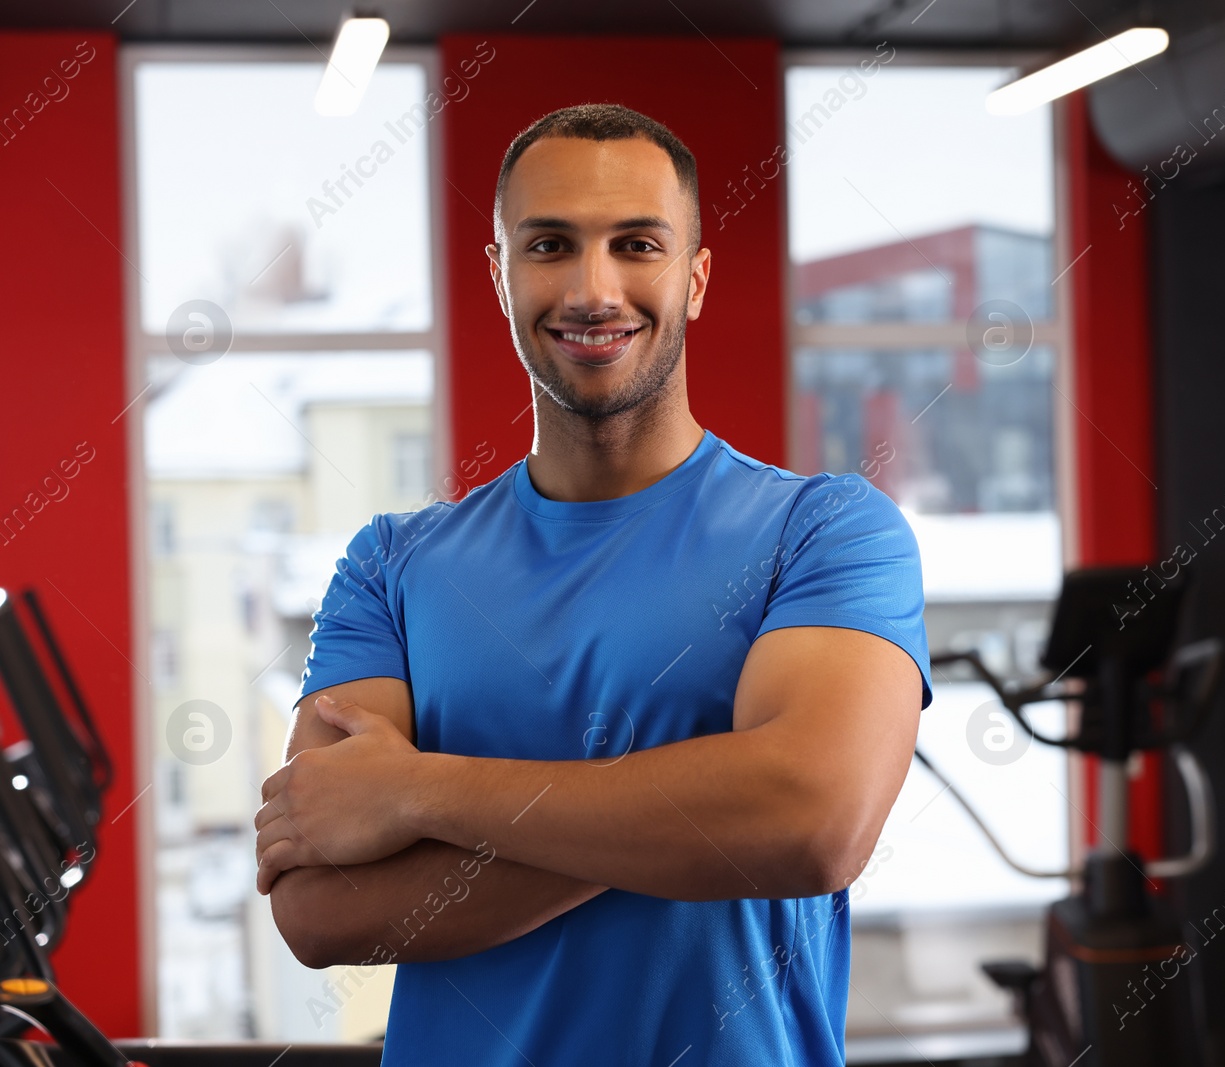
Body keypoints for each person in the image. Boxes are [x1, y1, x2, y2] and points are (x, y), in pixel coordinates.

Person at [254, 103, 932, 1066]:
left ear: (693, 277)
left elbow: (811, 820)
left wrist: (415, 794)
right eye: (549, 244)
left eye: (638, 244)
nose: (593, 287)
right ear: (500, 276)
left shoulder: (825, 530)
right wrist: (697, 806)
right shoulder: (391, 565)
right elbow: (319, 912)